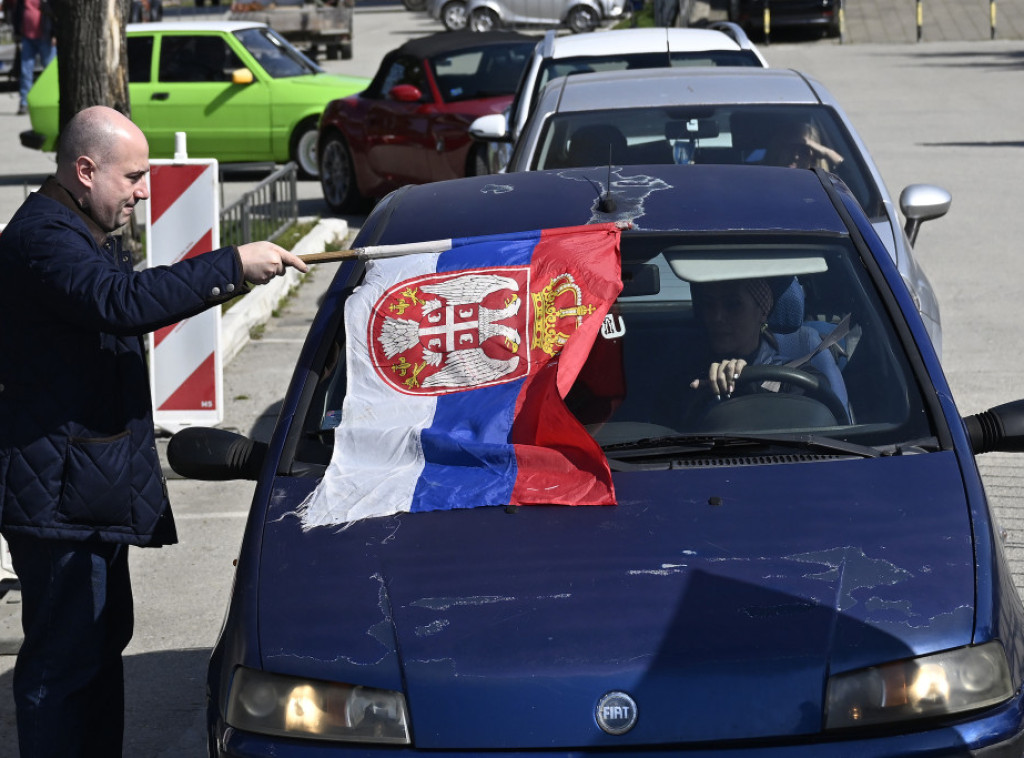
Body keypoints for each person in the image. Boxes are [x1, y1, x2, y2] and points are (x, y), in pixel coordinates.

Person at [0, 105, 307, 757]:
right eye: (133, 176)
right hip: (56, 496)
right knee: (64, 664)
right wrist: (231, 264)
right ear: (84, 171)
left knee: (98, 644)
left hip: (81, 486)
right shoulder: (44, 239)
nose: (144, 190)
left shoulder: (73, 228)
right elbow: (125, 304)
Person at [686, 277, 849, 420]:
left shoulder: (796, 376)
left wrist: (747, 384)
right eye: (708, 304)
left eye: (733, 305)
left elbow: (818, 415)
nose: (717, 317)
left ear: (763, 312)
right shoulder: (685, 370)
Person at [10, 0, 55, 116]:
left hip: (46, 37)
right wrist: (16, 32)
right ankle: (24, 103)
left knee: (50, 72)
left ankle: (51, 102)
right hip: (27, 38)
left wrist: (54, 34)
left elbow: (54, 13)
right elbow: (17, 14)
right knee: (25, 72)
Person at [763, 121, 844, 171]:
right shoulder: (760, 178)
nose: (796, 156)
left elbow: (852, 176)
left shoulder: (824, 185)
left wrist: (828, 152)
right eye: (791, 148)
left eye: (803, 151)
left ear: (814, 156)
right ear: (778, 151)